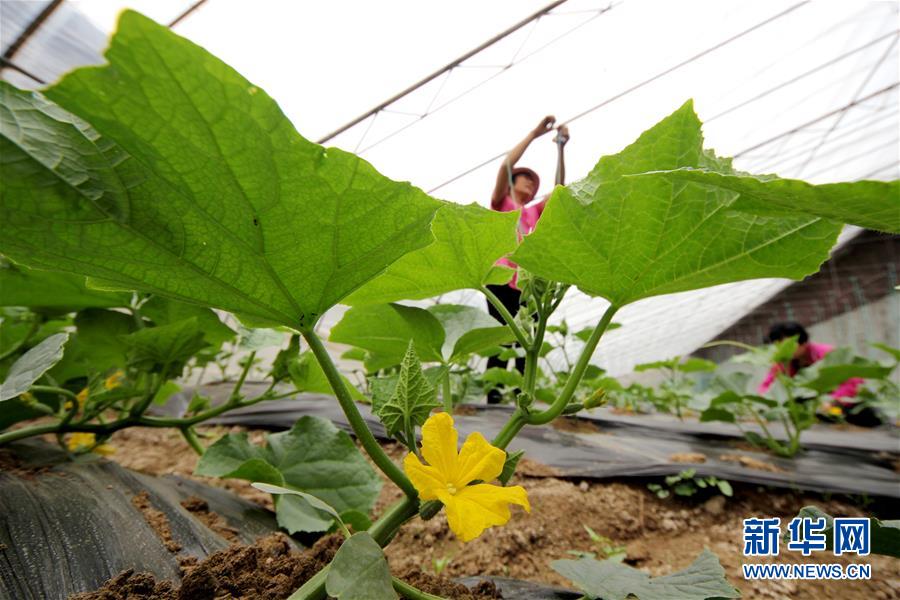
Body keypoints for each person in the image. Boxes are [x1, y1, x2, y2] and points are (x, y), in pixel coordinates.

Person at [485, 116, 568, 403]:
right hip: (498, 279)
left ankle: (520, 395)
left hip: (525, 285)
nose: (531, 186)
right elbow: (506, 165)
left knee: (527, 338)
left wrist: (561, 146)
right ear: (512, 182)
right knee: (501, 337)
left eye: (534, 184)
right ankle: (494, 395)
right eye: (526, 180)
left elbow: (560, 189)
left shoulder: (532, 213)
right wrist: (534, 134)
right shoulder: (501, 202)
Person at [757, 321, 877, 425]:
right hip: (817, 411)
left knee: (868, 417)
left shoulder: (827, 354)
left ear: (803, 343)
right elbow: (767, 386)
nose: (781, 350)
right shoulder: (783, 362)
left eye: (787, 345)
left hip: (845, 404)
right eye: (778, 346)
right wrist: (765, 402)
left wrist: (833, 400)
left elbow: (853, 380)